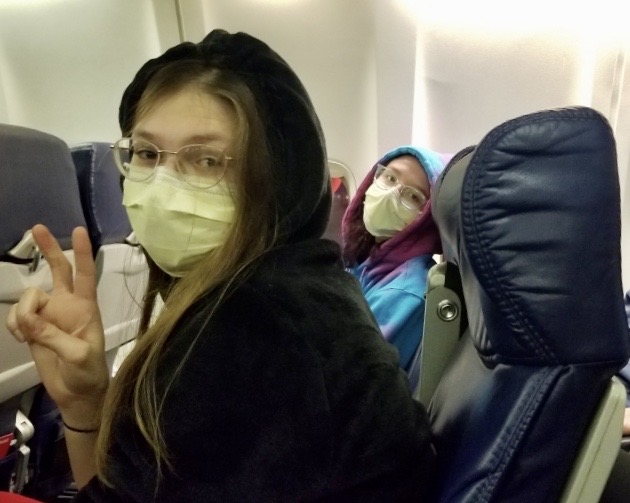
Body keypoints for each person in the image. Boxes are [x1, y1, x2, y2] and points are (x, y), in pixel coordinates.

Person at [5, 30, 435, 501]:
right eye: (147, 153)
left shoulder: (259, 330)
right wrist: (85, 402)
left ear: (274, 183)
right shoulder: (295, 290)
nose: (163, 184)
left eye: (206, 160)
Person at [341, 146, 445, 393]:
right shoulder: (367, 262)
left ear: (425, 220)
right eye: (389, 177)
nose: (391, 194)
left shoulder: (407, 291)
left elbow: (350, 376)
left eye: (413, 196)